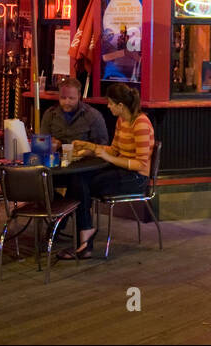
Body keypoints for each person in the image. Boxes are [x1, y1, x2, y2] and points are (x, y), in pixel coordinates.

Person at [62, 83, 153, 259]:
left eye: (110, 103)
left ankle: (78, 233)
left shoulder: (140, 123)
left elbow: (141, 164)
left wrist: (108, 158)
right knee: (78, 180)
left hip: (136, 178)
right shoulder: (122, 121)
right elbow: (113, 150)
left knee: (81, 186)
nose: (108, 106)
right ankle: (84, 235)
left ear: (120, 105)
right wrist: (89, 146)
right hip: (120, 171)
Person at [42, 76, 107, 148]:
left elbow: (102, 147)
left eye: (71, 98)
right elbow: (42, 142)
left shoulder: (93, 116)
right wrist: (51, 143)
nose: (67, 102)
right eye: (63, 98)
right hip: (56, 157)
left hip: (84, 158)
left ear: (79, 96)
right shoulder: (50, 114)